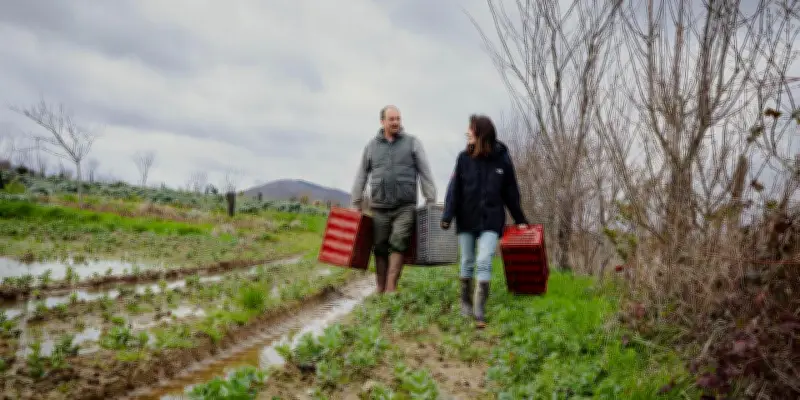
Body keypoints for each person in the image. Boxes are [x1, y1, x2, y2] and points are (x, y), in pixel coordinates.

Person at [440, 114, 528, 328]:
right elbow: (454, 189)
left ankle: (479, 308)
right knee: (467, 260)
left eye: (470, 130)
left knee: (484, 260)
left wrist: (520, 219)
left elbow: (511, 193)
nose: (467, 133)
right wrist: (447, 215)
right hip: (467, 218)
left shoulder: (502, 161)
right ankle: (465, 303)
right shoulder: (463, 159)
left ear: (481, 134)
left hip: (491, 219)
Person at [351, 105, 437, 294]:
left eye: (398, 118)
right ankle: (380, 287)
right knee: (380, 247)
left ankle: (391, 287)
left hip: (404, 206)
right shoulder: (371, 147)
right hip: (380, 207)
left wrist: (431, 199)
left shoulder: (412, 143)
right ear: (382, 122)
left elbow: (425, 172)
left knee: (398, 242)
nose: (396, 122)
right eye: (392, 119)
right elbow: (361, 175)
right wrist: (356, 202)